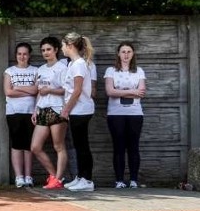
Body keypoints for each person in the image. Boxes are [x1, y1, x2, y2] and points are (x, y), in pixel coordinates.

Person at [104, 42, 145, 188]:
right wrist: (132, 91)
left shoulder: (139, 71)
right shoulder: (111, 71)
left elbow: (141, 92)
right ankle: (119, 180)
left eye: (129, 51)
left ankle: (134, 180)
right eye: (123, 52)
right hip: (116, 114)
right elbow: (110, 92)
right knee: (119, 147)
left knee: (133, 147)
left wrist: (120, 91)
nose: (126, 54)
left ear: (133, 54)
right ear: (118, 54)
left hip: (135, 114)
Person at [30, 37, 68, 189]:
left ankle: (57, 179)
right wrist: (35, 109)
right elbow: (39, 91)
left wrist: (50, 90)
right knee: (35, 147)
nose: (46, 52)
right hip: (43, 110)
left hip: (58, 109)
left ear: (56, 50)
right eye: (43, 50)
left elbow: (67, 90)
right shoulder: (40, 70)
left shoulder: (62, 68)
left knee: (58, 146)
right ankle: (55, 177)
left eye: (48, 49)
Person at [60, 32, 96, 191]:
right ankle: (80, 177)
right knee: (78, 145)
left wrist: (66, 110)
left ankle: (87, 180)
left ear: (70, 45)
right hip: (76, 111)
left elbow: (77, 90)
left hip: (81, 110)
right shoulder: (72, 64)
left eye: (62, 45)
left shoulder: (79, 64)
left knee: (82, 146)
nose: (62, 49)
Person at [3, 42, 37, 187]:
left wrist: (18, 87)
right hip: (13, 112)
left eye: (25, 54)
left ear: (29, 55)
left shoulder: (36, 70)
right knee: (17, 144)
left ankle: (28, 176)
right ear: (16, 55)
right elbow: (8, 92)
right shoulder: (9, 71)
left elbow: (36, 90)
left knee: (29, 145)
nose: (22, 56)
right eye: (19, 54)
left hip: (31, 112)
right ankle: (19, 177)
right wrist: (28, 89)